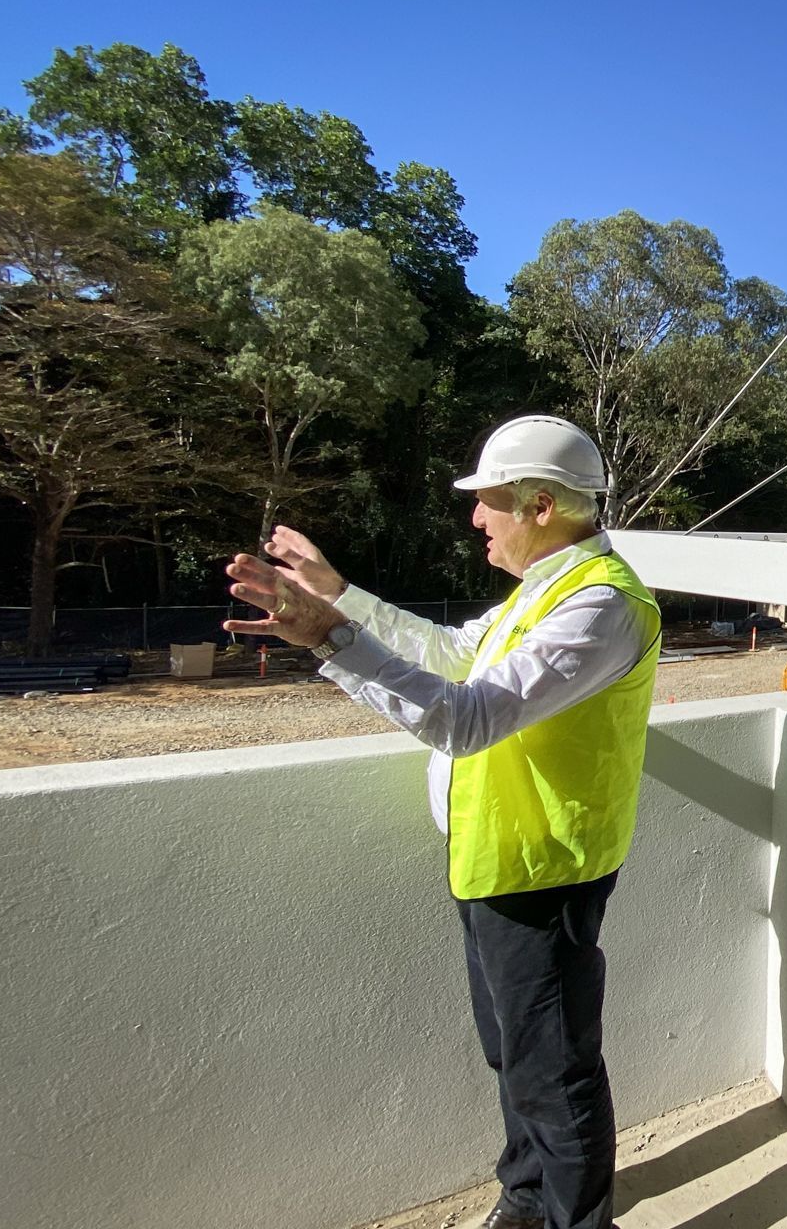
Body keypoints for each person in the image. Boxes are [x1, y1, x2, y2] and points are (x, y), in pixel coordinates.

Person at [222, 415, 662, 1229]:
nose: (474, 520)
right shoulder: (543, 594)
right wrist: (340, 598)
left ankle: (572, 1218)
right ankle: (526, 1201)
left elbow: (467, 718)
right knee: (515, 1057)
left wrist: (330, 638)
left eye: (487, 502)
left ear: (538, 505)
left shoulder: (601, 608)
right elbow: (455, 656)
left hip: (545, 872)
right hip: (494, 862)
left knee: (555, 1075)